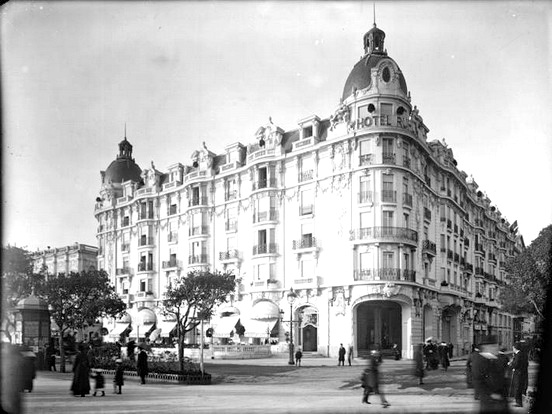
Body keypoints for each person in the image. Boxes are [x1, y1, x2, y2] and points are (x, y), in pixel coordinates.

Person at [472, 336, 509, 413]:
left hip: (500, 400)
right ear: (486, 347)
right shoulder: (480, 360)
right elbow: (477, 381)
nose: (497, 348)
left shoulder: (498, 358)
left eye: (496, 345)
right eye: (493, 346)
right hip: (490, 403)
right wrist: (490, 395)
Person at [509, 342, 528, 408]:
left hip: (518, 373)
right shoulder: (523, 354)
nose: (512, 349)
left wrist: (511, 364)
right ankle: (519, 402)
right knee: (519, 387)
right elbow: (526, 364)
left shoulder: (518, 355)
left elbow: (516, 364)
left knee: (517, 387)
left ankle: (518, 402)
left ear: (515, 348)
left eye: (513, 348)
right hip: (522, 373)